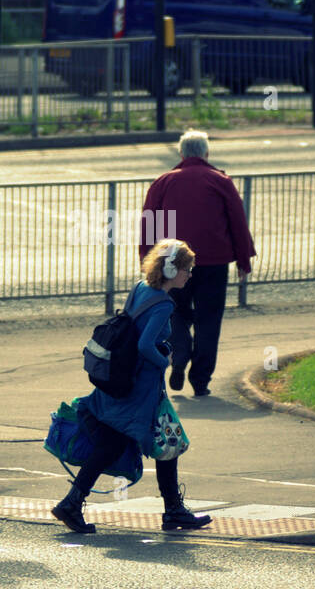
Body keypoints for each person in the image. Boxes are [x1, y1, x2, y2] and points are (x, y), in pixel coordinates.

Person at [52, 239, 213, 535]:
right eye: (187, 269)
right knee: (165, 442)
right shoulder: (164, 304)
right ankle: (172, 510)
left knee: (144, 443)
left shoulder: (141, 287)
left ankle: (73, 503)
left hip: (120, 379)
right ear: (170, 269)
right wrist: (165, 360)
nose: (190, 275)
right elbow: (143, 344)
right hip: (139, 391)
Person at [139, 130, 256, 397]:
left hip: (172, 260)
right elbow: (237, 221)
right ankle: (201, 379)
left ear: (181, 154)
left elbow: (150, 224)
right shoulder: (220, 181)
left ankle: (179, 354)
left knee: (174, 311)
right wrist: (243, 259)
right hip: (214, 261)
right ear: (206, 153)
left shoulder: (163, 182)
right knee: (209, 318)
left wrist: (147, 261)